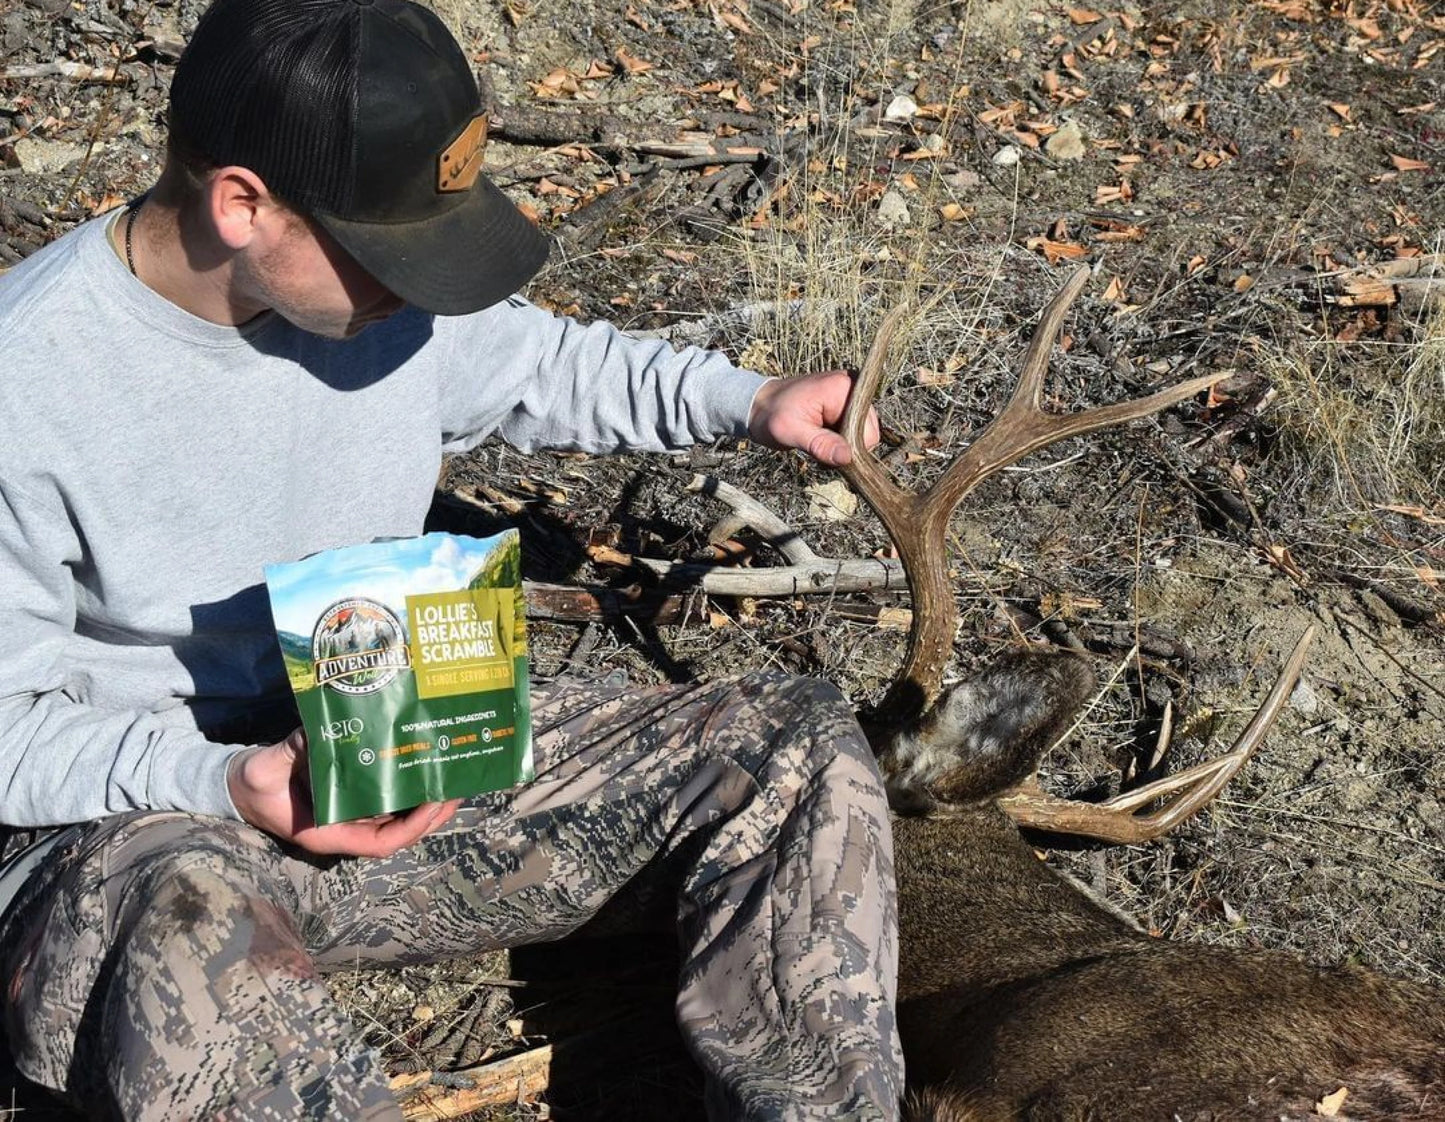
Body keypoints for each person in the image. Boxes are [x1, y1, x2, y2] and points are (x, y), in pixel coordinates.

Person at [0, 0, 901, 1118]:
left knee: (791, 745)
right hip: (152, 821)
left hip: (398, 741)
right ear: (241, 203)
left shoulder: (379, 300)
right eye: (392, 256)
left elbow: (537, 363)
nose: (425, 292)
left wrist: (747, 400)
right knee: (186, 926)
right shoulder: (27, 383)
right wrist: (222, 781)